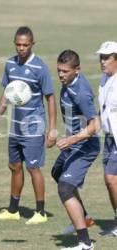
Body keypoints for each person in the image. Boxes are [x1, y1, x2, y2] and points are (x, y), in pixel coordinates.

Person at [0, 26, 57, 224]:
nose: (21, 48)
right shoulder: (10, 64)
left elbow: (50, 98)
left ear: (32, 44)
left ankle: (41, 212)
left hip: (34, 126)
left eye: (25, 45)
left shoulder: (40, 67)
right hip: (16, 126)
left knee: (33, 168)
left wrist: (52, 128)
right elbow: (7, 92)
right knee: (15, 166)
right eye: (18, 44)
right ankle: (13, 210)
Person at [52, 50, 100, 250]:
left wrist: (71, 139)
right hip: (73, 144)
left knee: (65, 187)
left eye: (65, 71)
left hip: (85, 146)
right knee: (57, 173)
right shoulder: (67, 84)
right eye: (59, 70)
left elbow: (95, 125)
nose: (61, 75)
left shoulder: (81, 92)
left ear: (77, 70)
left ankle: (85, 242)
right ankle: (84, 217)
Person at [96, 41, 117, 237]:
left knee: (111, 179)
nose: (102, 61)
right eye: (101, 57)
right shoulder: (103, 79)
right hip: (109, 138)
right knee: (109, 180)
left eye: (107, 57)